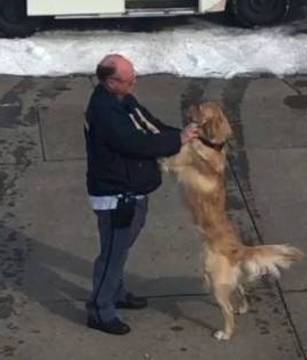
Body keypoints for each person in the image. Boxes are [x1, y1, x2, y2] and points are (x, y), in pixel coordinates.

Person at [84, 54, 199, 335]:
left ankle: (116, 292)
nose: (134, 83)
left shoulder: (123, 100)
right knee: (112, 254)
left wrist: (181, 135)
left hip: (133, 192)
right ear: (111, 82)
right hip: (116, 197)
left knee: (120, 249)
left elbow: (150, 125)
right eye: (129, 79)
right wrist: (177, 140)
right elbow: (135, 143)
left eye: (134, 76)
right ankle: (100, 310)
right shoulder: (104, 111)